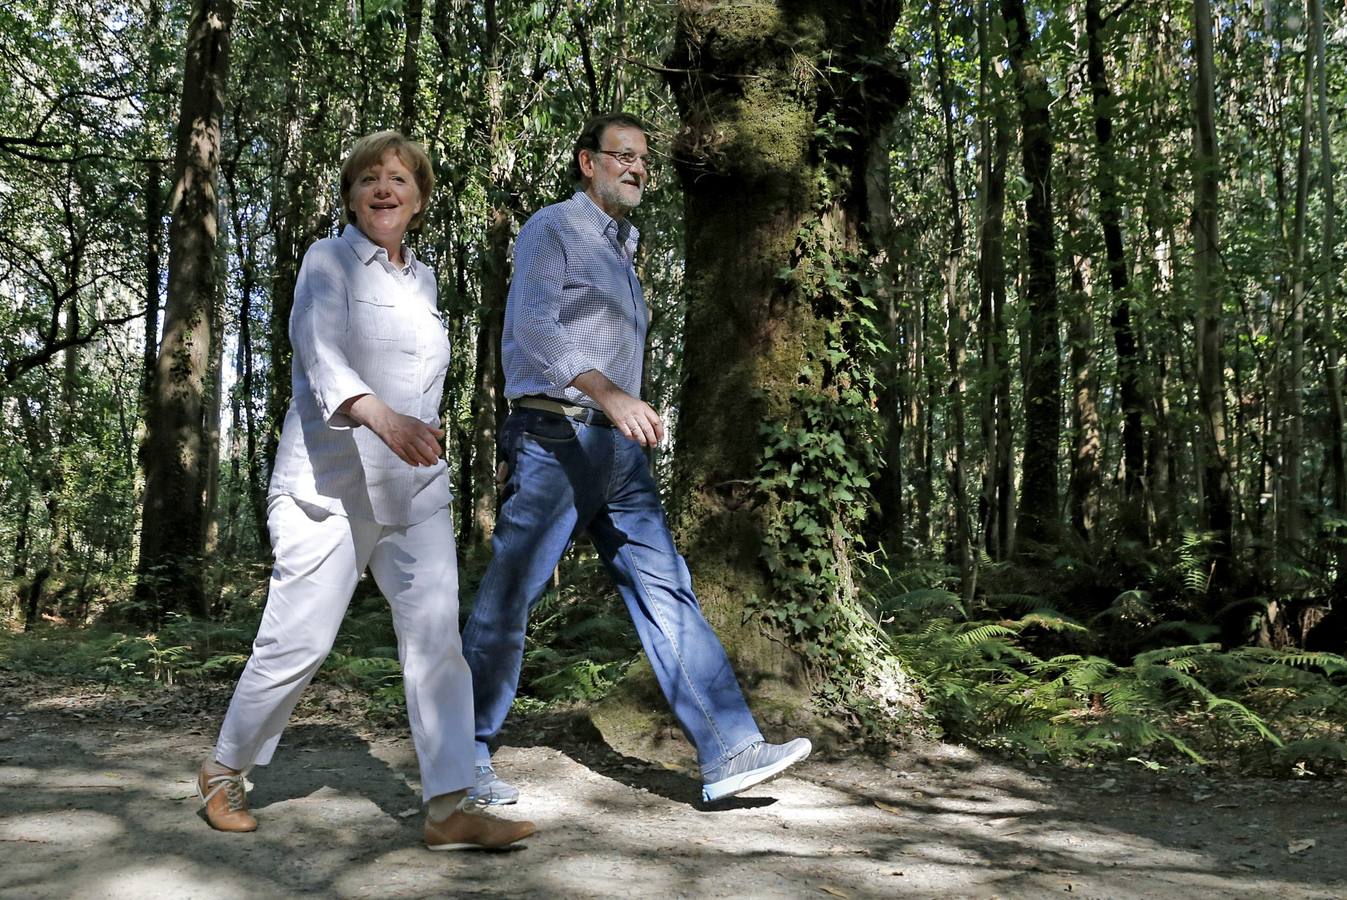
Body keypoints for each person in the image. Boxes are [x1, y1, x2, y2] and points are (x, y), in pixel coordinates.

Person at [196, 131, 534, 850]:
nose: (385, 188)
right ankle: (223, 770)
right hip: (329, 486)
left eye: (400, 179)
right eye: (370, 178)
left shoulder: (427, 279)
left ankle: (447, 808)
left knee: (438, 643)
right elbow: (319, 353)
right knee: (296, 643)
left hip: (415, 492)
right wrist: (381, 418)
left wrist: (417, 438)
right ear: (351, 195)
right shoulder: (326, 260)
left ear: (419, 197)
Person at [461, 112, 811, 806]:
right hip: (558, 436)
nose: (636, 168)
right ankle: (458, 761)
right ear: (586, 161)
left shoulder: (625, 243)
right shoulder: (552, 227)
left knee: (666, 590)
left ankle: (729, 749)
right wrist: (608, 395)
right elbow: (531, 327)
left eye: (644, 159)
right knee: (510, 597)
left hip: (618, 451)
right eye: (621, 156)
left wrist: (620, 411)